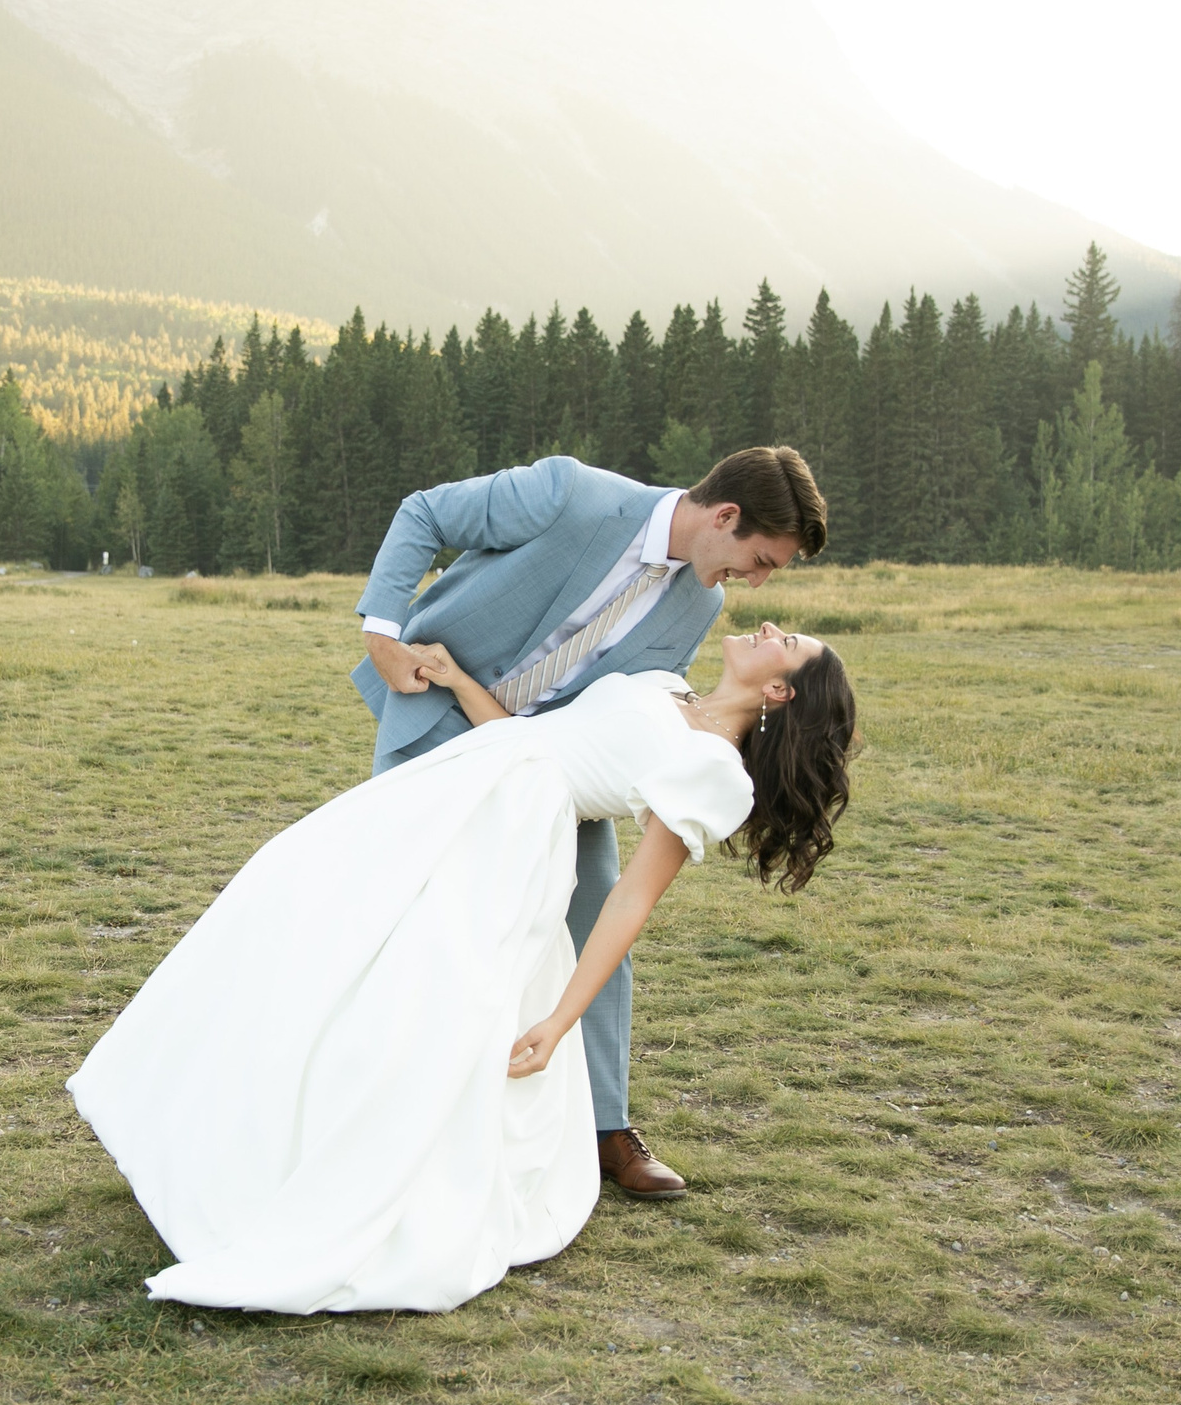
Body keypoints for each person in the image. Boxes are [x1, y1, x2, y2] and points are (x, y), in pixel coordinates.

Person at [67, 622, 854, 1313]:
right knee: (298, 903)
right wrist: (459, 681)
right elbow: (535, 740)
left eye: (785, 641)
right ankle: (236, 1139)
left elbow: (629, 901)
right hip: (457, 786)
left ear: (781, 690)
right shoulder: (664, 684)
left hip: (506, 846)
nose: (770, 624)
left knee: (419, 994)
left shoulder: (712, 765)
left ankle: (344, 1184)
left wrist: (558, 1020)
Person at [352, 448, 826, 1199]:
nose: (758, 582)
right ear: (725, 516)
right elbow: (425, 512)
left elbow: (632, 721)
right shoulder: (569, 494)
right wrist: (383, 633)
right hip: (441, 709)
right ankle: (377, 1091)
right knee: (400, 908)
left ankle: (606, 1124)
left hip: (557, 772)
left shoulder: (699, 607)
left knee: (598, 904)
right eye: (760, 560)